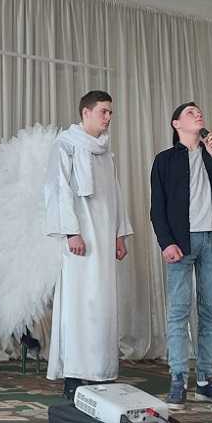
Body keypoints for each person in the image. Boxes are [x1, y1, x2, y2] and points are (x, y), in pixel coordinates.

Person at [44, 90, 133, 400]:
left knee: (102, 306)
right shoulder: (66, 145)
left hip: (104, 238)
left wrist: (119, 234)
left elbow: (115, 194)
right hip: (80, 240)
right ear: (86, 112)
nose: (108, 118)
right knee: (79, 305)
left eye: (110, 113)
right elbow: (58, 190)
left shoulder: (106, 153)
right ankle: (74, 374)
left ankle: (99, 372)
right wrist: (71, 232)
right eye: (103, 111)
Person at [150, 102, 212, 408]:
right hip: (180, 243)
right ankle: (178, 380)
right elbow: (157, 208)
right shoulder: (164, 160)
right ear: (176, 124)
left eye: (199, 111)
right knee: (178, 311)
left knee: (209, 311)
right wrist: (166, 243)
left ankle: (204, 382)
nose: (198, 114)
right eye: (190, 112)